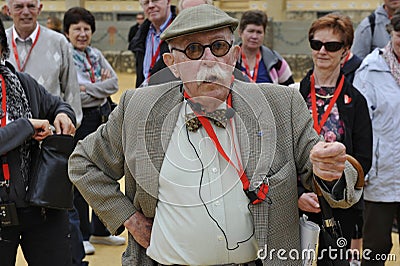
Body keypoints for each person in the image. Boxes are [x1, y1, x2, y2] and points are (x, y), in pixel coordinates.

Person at [69, 5, 364, 266]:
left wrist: (331, 173)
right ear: (172, 64)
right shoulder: (139, 108)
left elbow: (340, 189)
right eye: (194, 49)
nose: (209, 59)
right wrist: (129, 218)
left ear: (234, 56)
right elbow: (83, 163)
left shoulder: (281, 106)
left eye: (219, 47)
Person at [5, 1, 84, 264]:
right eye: (19, 5)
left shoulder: (21, 83)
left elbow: (59, 103)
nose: (25, 11)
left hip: (39, 203)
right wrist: (26, 126)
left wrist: (63, 115)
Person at [297, 13, 372, 265]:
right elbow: (279, 155)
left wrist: (333, 189)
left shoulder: (356, 101)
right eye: (316, 44)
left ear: (346, 51)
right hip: (298, 205)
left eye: (332, 46)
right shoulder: (293, 95)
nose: (322, 51)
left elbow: (363, 159)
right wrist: (298, 194)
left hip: (340, 207)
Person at [63, 7, 124, 255]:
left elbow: (114, 82)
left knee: (106, 170)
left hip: (102, 116)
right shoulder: (65, 54)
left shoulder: (95, 54)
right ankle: (84, 234)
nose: (82, 33)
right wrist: (97, 87)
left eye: (86, 28)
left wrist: (90, 87)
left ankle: (102, 229)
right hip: (81, 119)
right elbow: (76, 91)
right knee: (80, 174)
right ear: (67, 32)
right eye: (76, 28)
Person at [353, 8, 400, 266]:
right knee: (376, 246)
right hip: (382, 175)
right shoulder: (371, 69)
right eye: (399, 34)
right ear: (391, 34)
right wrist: (364, 170)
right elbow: (360, 126)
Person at [5, 0, 82, 127]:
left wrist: (71, 124)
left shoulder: (58, 42)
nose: (25, 12)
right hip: (8, 137)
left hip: (49, 134)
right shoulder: (2, 43)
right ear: (8, 11)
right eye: (18, 7)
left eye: (31, 6)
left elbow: (71, 89)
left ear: (39, 9)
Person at [236, 10, 294, 85]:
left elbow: (290, 90)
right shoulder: (229, 60)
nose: (254, 36)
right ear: (240, 32)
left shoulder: (276, 61)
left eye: (259, 32)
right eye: (251, 31)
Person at [128, 0, 177, 87]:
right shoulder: (141, 35)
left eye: (155, 0)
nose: (150, 5)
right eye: (146, 2)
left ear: (168, 1)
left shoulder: (182, 33)